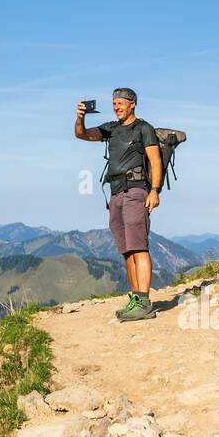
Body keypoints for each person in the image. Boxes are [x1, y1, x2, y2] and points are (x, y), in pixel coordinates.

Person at [74, 88, 163, 321]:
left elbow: (155, 162)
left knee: (139, 246)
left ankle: (144, 302)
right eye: (114, 103)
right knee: (126, 250)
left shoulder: (144, 129)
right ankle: (136, 298)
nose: (116, 107)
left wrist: (154, 191)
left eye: (120, 103)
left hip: (136, 191)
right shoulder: (111, 129)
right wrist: (80, 117)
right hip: (115, 194)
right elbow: (81, 135)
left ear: (132, 104)